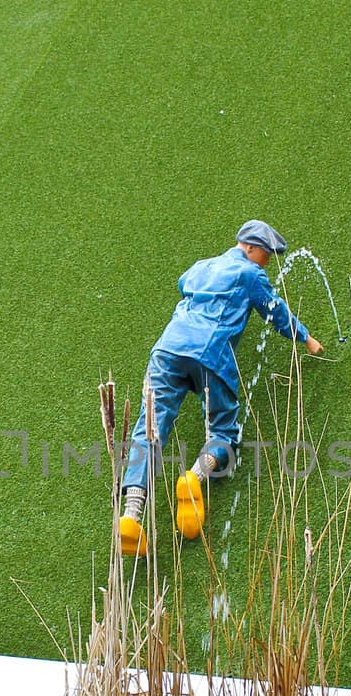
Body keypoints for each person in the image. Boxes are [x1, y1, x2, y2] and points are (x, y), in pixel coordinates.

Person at [117, 220, 324, 555]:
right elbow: (275, 311)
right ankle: (194, 478)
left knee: (149, 430)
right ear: (251, 248)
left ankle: (131, 516)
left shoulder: (201, 267)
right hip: (210, 354)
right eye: (267, 255)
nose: (268, 263)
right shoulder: (249, 274)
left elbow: (183, 284)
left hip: (167, 350)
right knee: (224, 432)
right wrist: (306, 338)